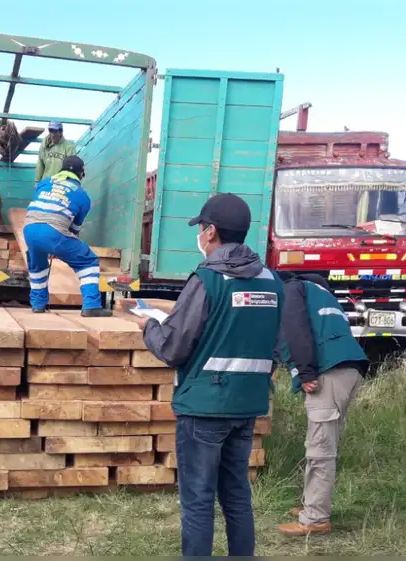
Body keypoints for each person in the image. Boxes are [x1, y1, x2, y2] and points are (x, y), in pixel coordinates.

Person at [138, 193, 284, 557]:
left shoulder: (207, 279)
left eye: (202, 228)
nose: (200, 235)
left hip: (204, 407)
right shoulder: (271, 281)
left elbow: (174, 348)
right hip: (247, 405)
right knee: (236, 495)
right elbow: (274, 345)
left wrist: (148, 326)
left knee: (199, 499)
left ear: (212, 232)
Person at [274, 271, 369, 537]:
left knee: (320, 448)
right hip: (347, 368)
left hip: (328, 372)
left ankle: (315, 519)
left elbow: (295, 327)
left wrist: (305, 371)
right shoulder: (319, 293)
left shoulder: (293, 289)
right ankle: (312, 504)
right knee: (323, 441)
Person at [23, 155, 111, 317]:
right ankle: (91, 305)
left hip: (29, 229)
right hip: (53, 232)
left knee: (38, 266)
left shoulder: (44, 183)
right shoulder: (83, 196)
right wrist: (59, 247)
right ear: (81, 174)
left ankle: (38, 305)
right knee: (88, 260)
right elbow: (74, 229)